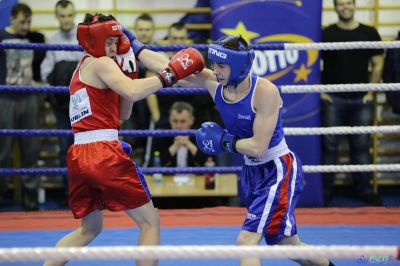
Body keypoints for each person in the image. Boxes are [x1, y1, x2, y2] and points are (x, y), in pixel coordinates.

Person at [42, 13, 204, 266]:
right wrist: (168, 75)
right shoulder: (101, 64)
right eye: (107, 42)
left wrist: (130, 72)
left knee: (89, 230)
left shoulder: (82, 68)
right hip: (103, 153)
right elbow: (132, 91)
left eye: (115, 42)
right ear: (92, 41)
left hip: (78, 155)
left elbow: (124, 112)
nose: (112, 48)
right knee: (151, 222)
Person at [178, 35, 334, 266]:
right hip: (252, 171)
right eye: (214, 64)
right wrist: (136, 49)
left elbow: (258, 147)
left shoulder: (265, 91)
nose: (215, 70)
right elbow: (169, 73)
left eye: (221, 65)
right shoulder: (215, 83)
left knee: (246, 241)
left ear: (240, 66)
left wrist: (225, 142)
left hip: (277, 170)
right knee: (288, 247)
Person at [321, 0, 384, 207]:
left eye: (348, 3)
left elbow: (378, 64)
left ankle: (365, 191)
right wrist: (321, 91)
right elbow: (310, 63)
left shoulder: (369, 33)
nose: (345, 7)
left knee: (361, 146)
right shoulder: (326, 34)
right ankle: (326, 192)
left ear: (354, 5)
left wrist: (370, 91)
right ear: (335, 7)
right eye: (341, 4)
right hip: (333, 98)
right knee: (329, 146)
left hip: (361, 99)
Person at [0, 3, 44, 211]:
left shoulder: (34, 39)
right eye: (22, 22)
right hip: (5, 97)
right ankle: (1, 192)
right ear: (12, 19)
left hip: (28, 97)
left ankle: (30, 194)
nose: (26, 26)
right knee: (3, 149)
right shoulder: (0, 37)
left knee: (31, 149)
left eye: (28, 21)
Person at [40, 0, 82, 206]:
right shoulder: (53, 41)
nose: (66, 19)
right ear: (57, 16)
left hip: (83, 104)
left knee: (87, 147)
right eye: (62, 16)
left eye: (69, 15)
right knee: (65, 147)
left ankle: (88, 194)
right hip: (61, 104)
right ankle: (69, 194)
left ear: (74, 15)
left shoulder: (83, 38)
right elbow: (45, 72)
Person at [120, 13, 156, 159]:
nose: (143, 32)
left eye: (147, 29)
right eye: (140, 29)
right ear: (135, 30)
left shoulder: (158, 53)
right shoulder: (123, 53)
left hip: (152, 105)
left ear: (153, 31)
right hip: (130, 106)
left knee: (154, 141)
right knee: (130, 141)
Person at [148, 101, 209, 167]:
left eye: (183, 121)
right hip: (167, 177)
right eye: (175, 121)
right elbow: (151, 166)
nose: (179, 126)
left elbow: (211, 164)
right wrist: (173, 148)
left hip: (195, 177)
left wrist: (191, 146)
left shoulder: (202, 136)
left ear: (192, 121)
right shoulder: (161, 135)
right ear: (169, 120)